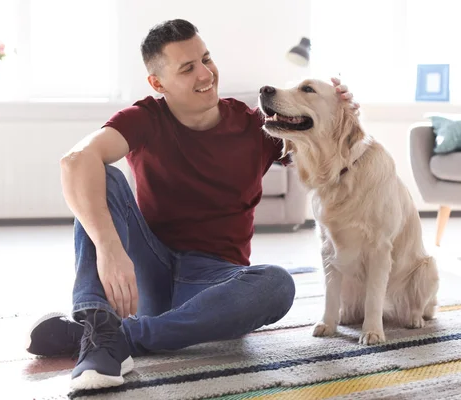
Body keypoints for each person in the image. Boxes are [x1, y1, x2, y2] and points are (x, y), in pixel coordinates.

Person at [24, 19, 358, 390]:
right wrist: (109, 249)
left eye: (206, 59)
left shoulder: (255, 126)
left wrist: (338, 111)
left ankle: (109, 336)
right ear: (158, 83)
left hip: (213, 283)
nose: (205, 74)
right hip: (148, 269)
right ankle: (100, 321)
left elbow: (336, 159)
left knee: (277, 284)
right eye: (187, 68)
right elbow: (75, 161)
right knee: (99, 174)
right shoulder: (146, 118)